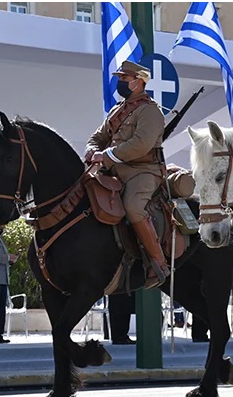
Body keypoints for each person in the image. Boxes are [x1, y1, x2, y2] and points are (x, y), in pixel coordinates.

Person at [85, 60, 169, 289]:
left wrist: (107, 155)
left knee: (133, 207)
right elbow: (98, 136)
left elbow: (141, 144)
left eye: (124, 78)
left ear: (138, 82)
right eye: (120, 78)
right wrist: (92, 150)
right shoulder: (118, 110)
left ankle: (158, 263)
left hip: (143, 171)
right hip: (112, 170)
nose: (120, 82)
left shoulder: (151, 111)